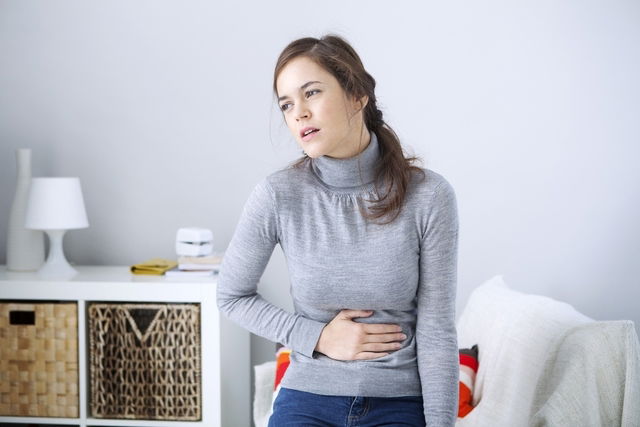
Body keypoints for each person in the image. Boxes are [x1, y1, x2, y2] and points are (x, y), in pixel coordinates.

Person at [217, 34, 459, 427]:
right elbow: (231, 296)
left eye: (311, 92)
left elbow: (437, 330)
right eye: (286, 104)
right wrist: (318, 338)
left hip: (399, 402)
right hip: (308, 398)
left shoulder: (429, 196)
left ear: (357, 95)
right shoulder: (278, 195)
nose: (299, 113)